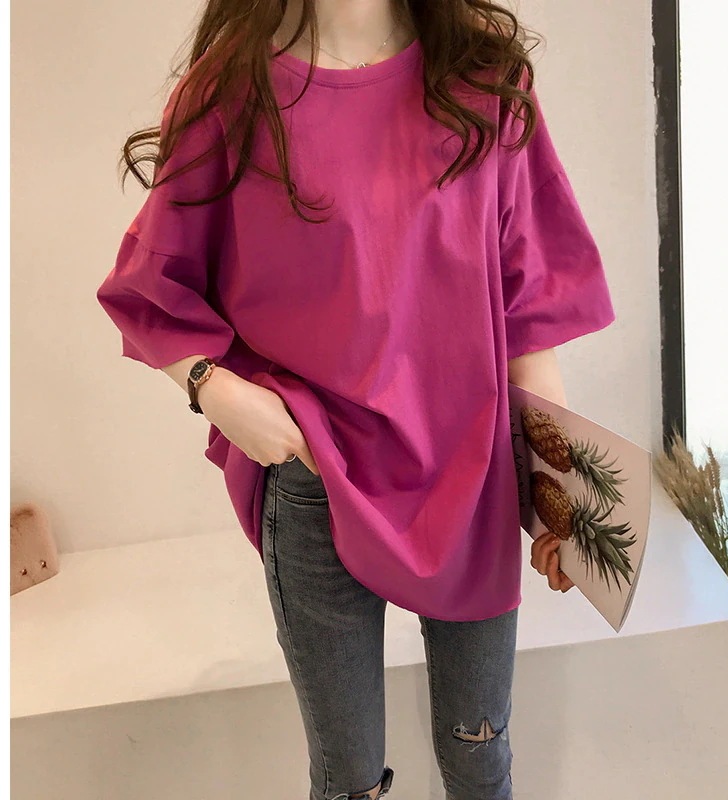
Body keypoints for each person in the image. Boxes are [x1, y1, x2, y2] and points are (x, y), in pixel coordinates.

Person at [96, 1, 616, 797]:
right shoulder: (231, 92)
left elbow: (530, 311)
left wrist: (558, 497)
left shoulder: (485, 80)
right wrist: (215, 390)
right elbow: (151, 283)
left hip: (472, 476)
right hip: (315, 480)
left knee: (482, 759)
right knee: (347, 782)